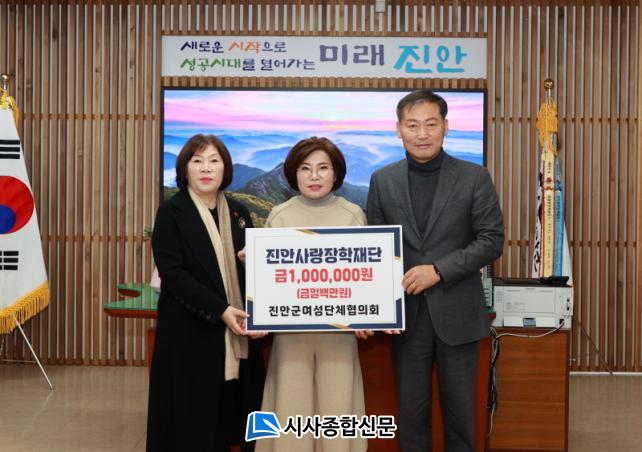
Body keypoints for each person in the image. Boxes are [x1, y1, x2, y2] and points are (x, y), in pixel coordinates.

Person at [366, 90, 504, 452]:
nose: (422, 134)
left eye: (431, 124)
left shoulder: (474, 177)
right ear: (398, 129)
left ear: (445, 126)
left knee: (460, 418)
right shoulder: (382, 180)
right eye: (412, 125)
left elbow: (491, 241)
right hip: (405, 318)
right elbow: (376, 248)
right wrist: (380, 307)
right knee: (411, 417)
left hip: (457, 314)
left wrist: (439, 270)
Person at [147, 134, 265, 452]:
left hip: (237, 333)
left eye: (214, 161)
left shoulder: (239, 213)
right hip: (190, 334)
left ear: (225, 168)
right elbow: (174, 275)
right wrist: (221, 310)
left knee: (231, 418)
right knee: (191, 423)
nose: (206, 168)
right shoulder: (172, 212)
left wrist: (254, 269)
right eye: (197, 161)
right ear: (184, 169)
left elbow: (256, 272)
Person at [255, 137, 370, 452]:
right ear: (294, 174)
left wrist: (366, 316)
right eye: (305, 168)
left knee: (338, 414)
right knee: (289, 414)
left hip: (340, 335)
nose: (314, 176)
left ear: (336, 173)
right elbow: (268, 280)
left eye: (323, 168)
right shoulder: (279, 215)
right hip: (290, 335)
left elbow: (365, 278)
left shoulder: (353, 214)